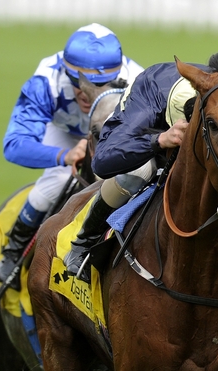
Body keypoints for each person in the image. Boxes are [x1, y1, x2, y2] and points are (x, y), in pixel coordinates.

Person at [0, 23, 144, 288]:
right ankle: (13, 250)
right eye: (79, 82)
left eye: (103, 84)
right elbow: (14, 144)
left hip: (112, 134)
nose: (88, 92)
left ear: (118, 75)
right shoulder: (45, 82)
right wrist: (64, 155)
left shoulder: (138, 80)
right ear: (67, 73)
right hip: (64, 131)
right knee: (51, 187)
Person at [61, 53, 210, 281]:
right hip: (151, 125)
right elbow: (102, 163)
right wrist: (159, 141)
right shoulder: (147, 100)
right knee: (138, 172)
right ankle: (83, 244)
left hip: (209, 120)